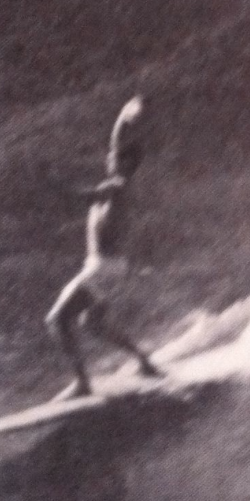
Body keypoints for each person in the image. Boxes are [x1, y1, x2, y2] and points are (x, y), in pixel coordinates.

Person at [46, 95, 163, 399]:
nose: (108, 158)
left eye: (115, 157)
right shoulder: (118, 183)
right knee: (93, 324)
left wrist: (56, 186)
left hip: (102, 268)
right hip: (112, 267)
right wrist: (125, 114)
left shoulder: (116, 187)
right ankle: (144, 362)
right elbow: (117, 143)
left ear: (125, 163)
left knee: (57, 320)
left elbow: (81, 197)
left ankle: (83, 384)